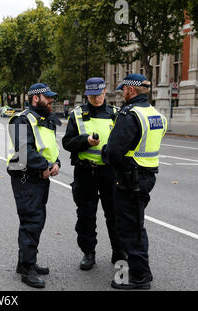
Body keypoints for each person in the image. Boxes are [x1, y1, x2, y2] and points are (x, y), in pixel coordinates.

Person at [102, 74, 167, 290]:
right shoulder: (156, 114)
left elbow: (113, 151)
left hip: (130, 179)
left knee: (130, 228)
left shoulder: (130, 115)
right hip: (146, 177)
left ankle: (139, 277)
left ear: (131, 90)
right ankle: (140, 271)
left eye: (123, 90)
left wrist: (105, 154)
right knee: (135, 224)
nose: (122, 93)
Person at [62, 78, 126, 271]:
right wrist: (85, 141)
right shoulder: (78, 114)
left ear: (105, 92)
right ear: (86, 94)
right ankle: (88, 253)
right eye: (91, 95)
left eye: (99, 94)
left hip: (110, 172)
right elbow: (67, 142)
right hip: (85, 171)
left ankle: (119, 251)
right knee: (86, 215)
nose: (96, 98)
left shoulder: (116, 114)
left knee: (114, 214)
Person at [7, 83, 61, 288]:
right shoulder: (21, 120)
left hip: (40, 177)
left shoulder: (45, 121)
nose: (51, 101)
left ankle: (26, 262)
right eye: (48, 97)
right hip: (25, 178)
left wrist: (56, 164)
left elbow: (50, 148)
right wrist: (46, 165)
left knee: (37, 220)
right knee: (31, 221)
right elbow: (24, 150)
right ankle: (27, 268)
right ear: (35, 98)